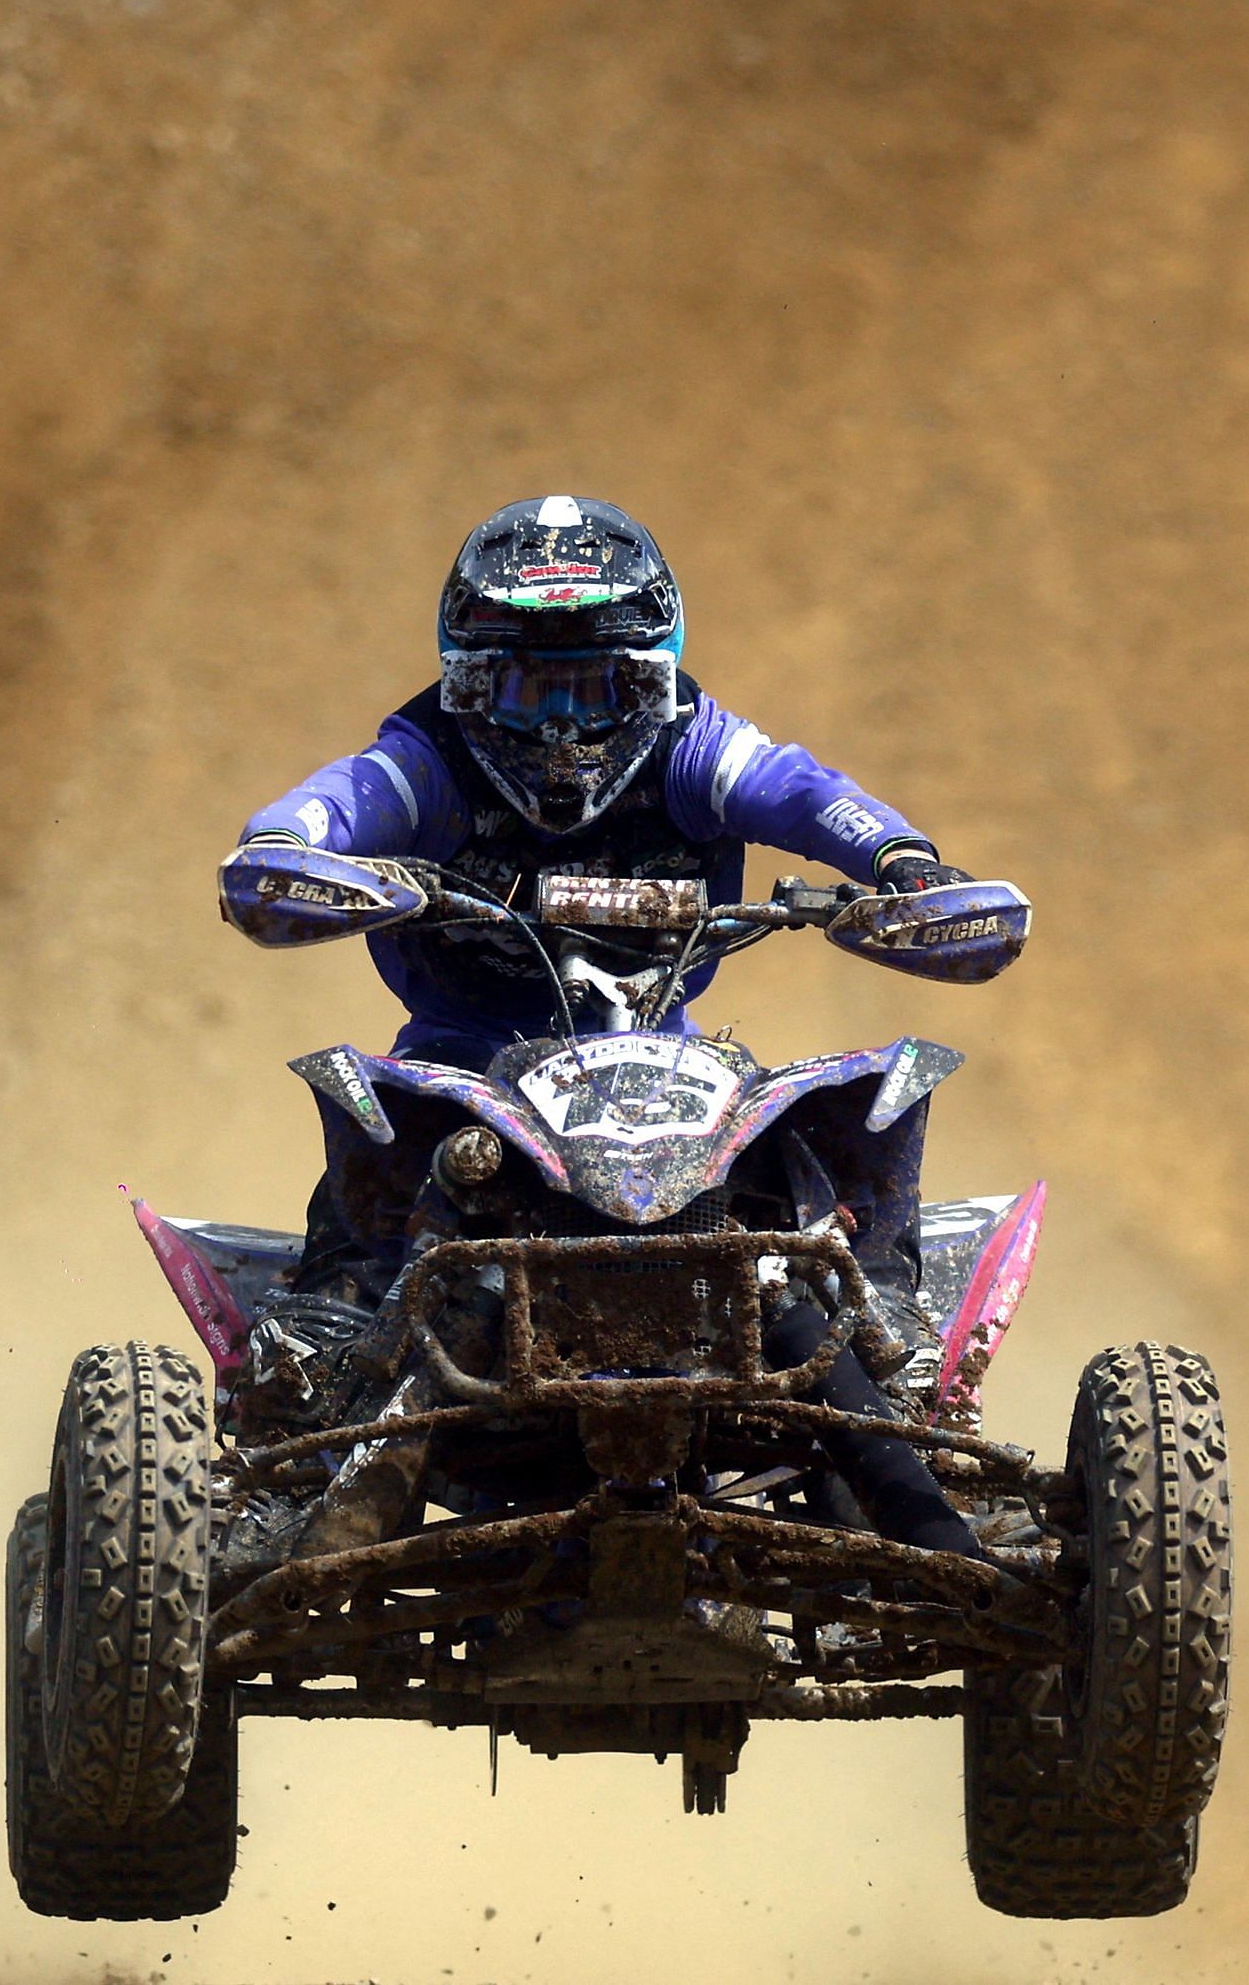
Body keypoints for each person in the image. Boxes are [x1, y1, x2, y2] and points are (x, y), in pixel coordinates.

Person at [223, 493, 990, 1558]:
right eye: (527, 689)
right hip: (463, 1059)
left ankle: (888, 1371)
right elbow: (326, 808)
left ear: (651, 675)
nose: (561, 729)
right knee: (381, 1141)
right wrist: (286, 852)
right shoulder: (427, 757)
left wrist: (900, 865)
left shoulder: (693, 747)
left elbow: (803, 794)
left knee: (815, 1139)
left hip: (664, 1061)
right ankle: (317, 1397)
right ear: (467, 682)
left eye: (590, 684)